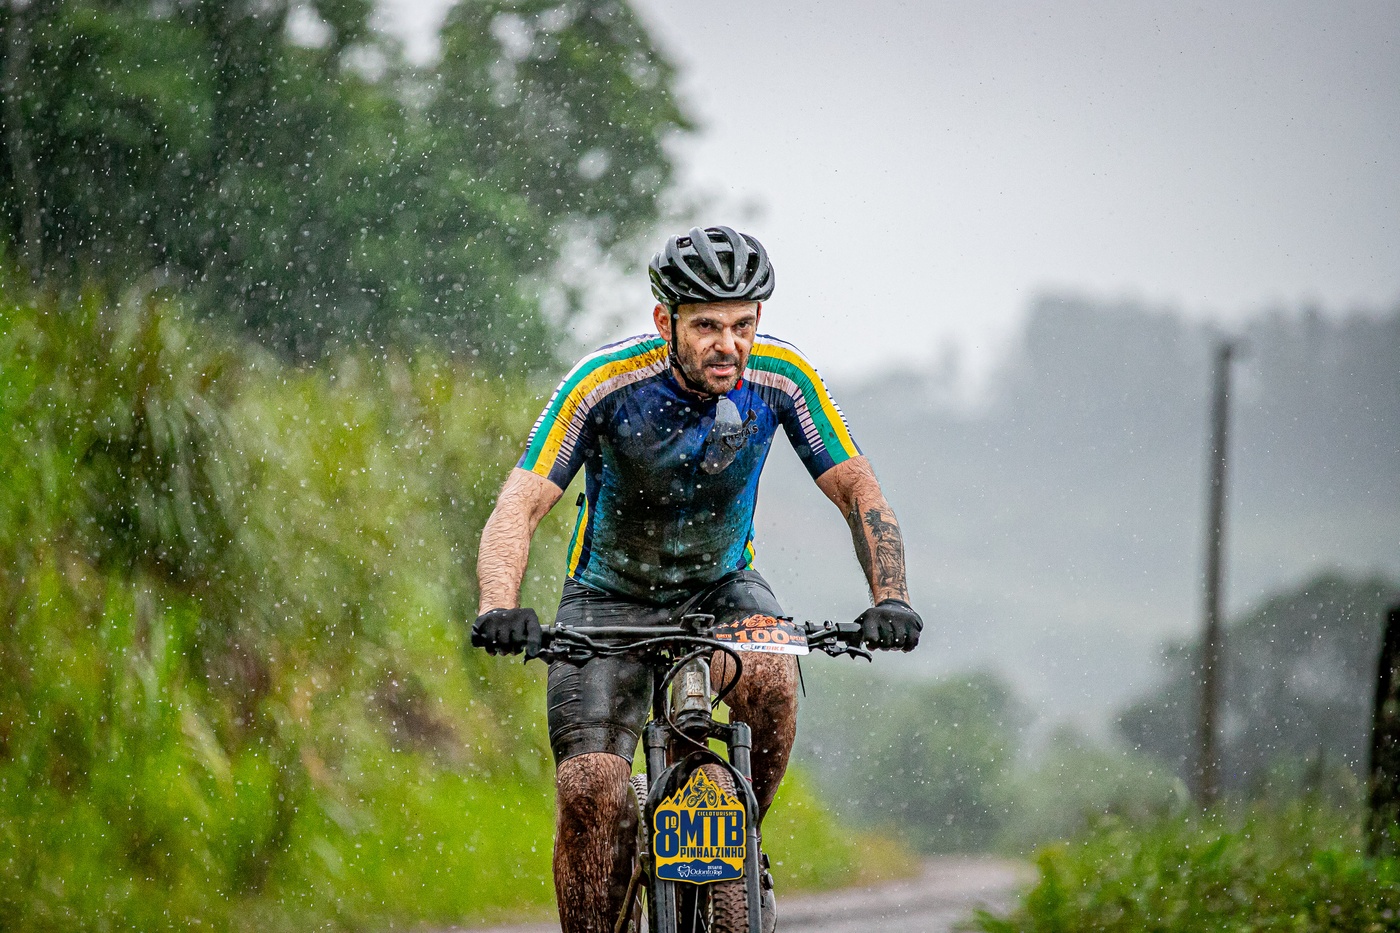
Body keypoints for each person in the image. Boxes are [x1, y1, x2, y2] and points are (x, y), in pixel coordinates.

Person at [469, 226, 923, 933]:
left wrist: (890, 596)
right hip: (608, 595)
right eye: (707, 326)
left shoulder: (783, 378)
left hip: (723, 588)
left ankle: (744, 836)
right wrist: (500, 604)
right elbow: (520, 502)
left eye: (743, 325)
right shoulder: (603, 383)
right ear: (665, 322)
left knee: (771, 673)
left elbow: (857, 488)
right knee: (592, 788)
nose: (728, 345)